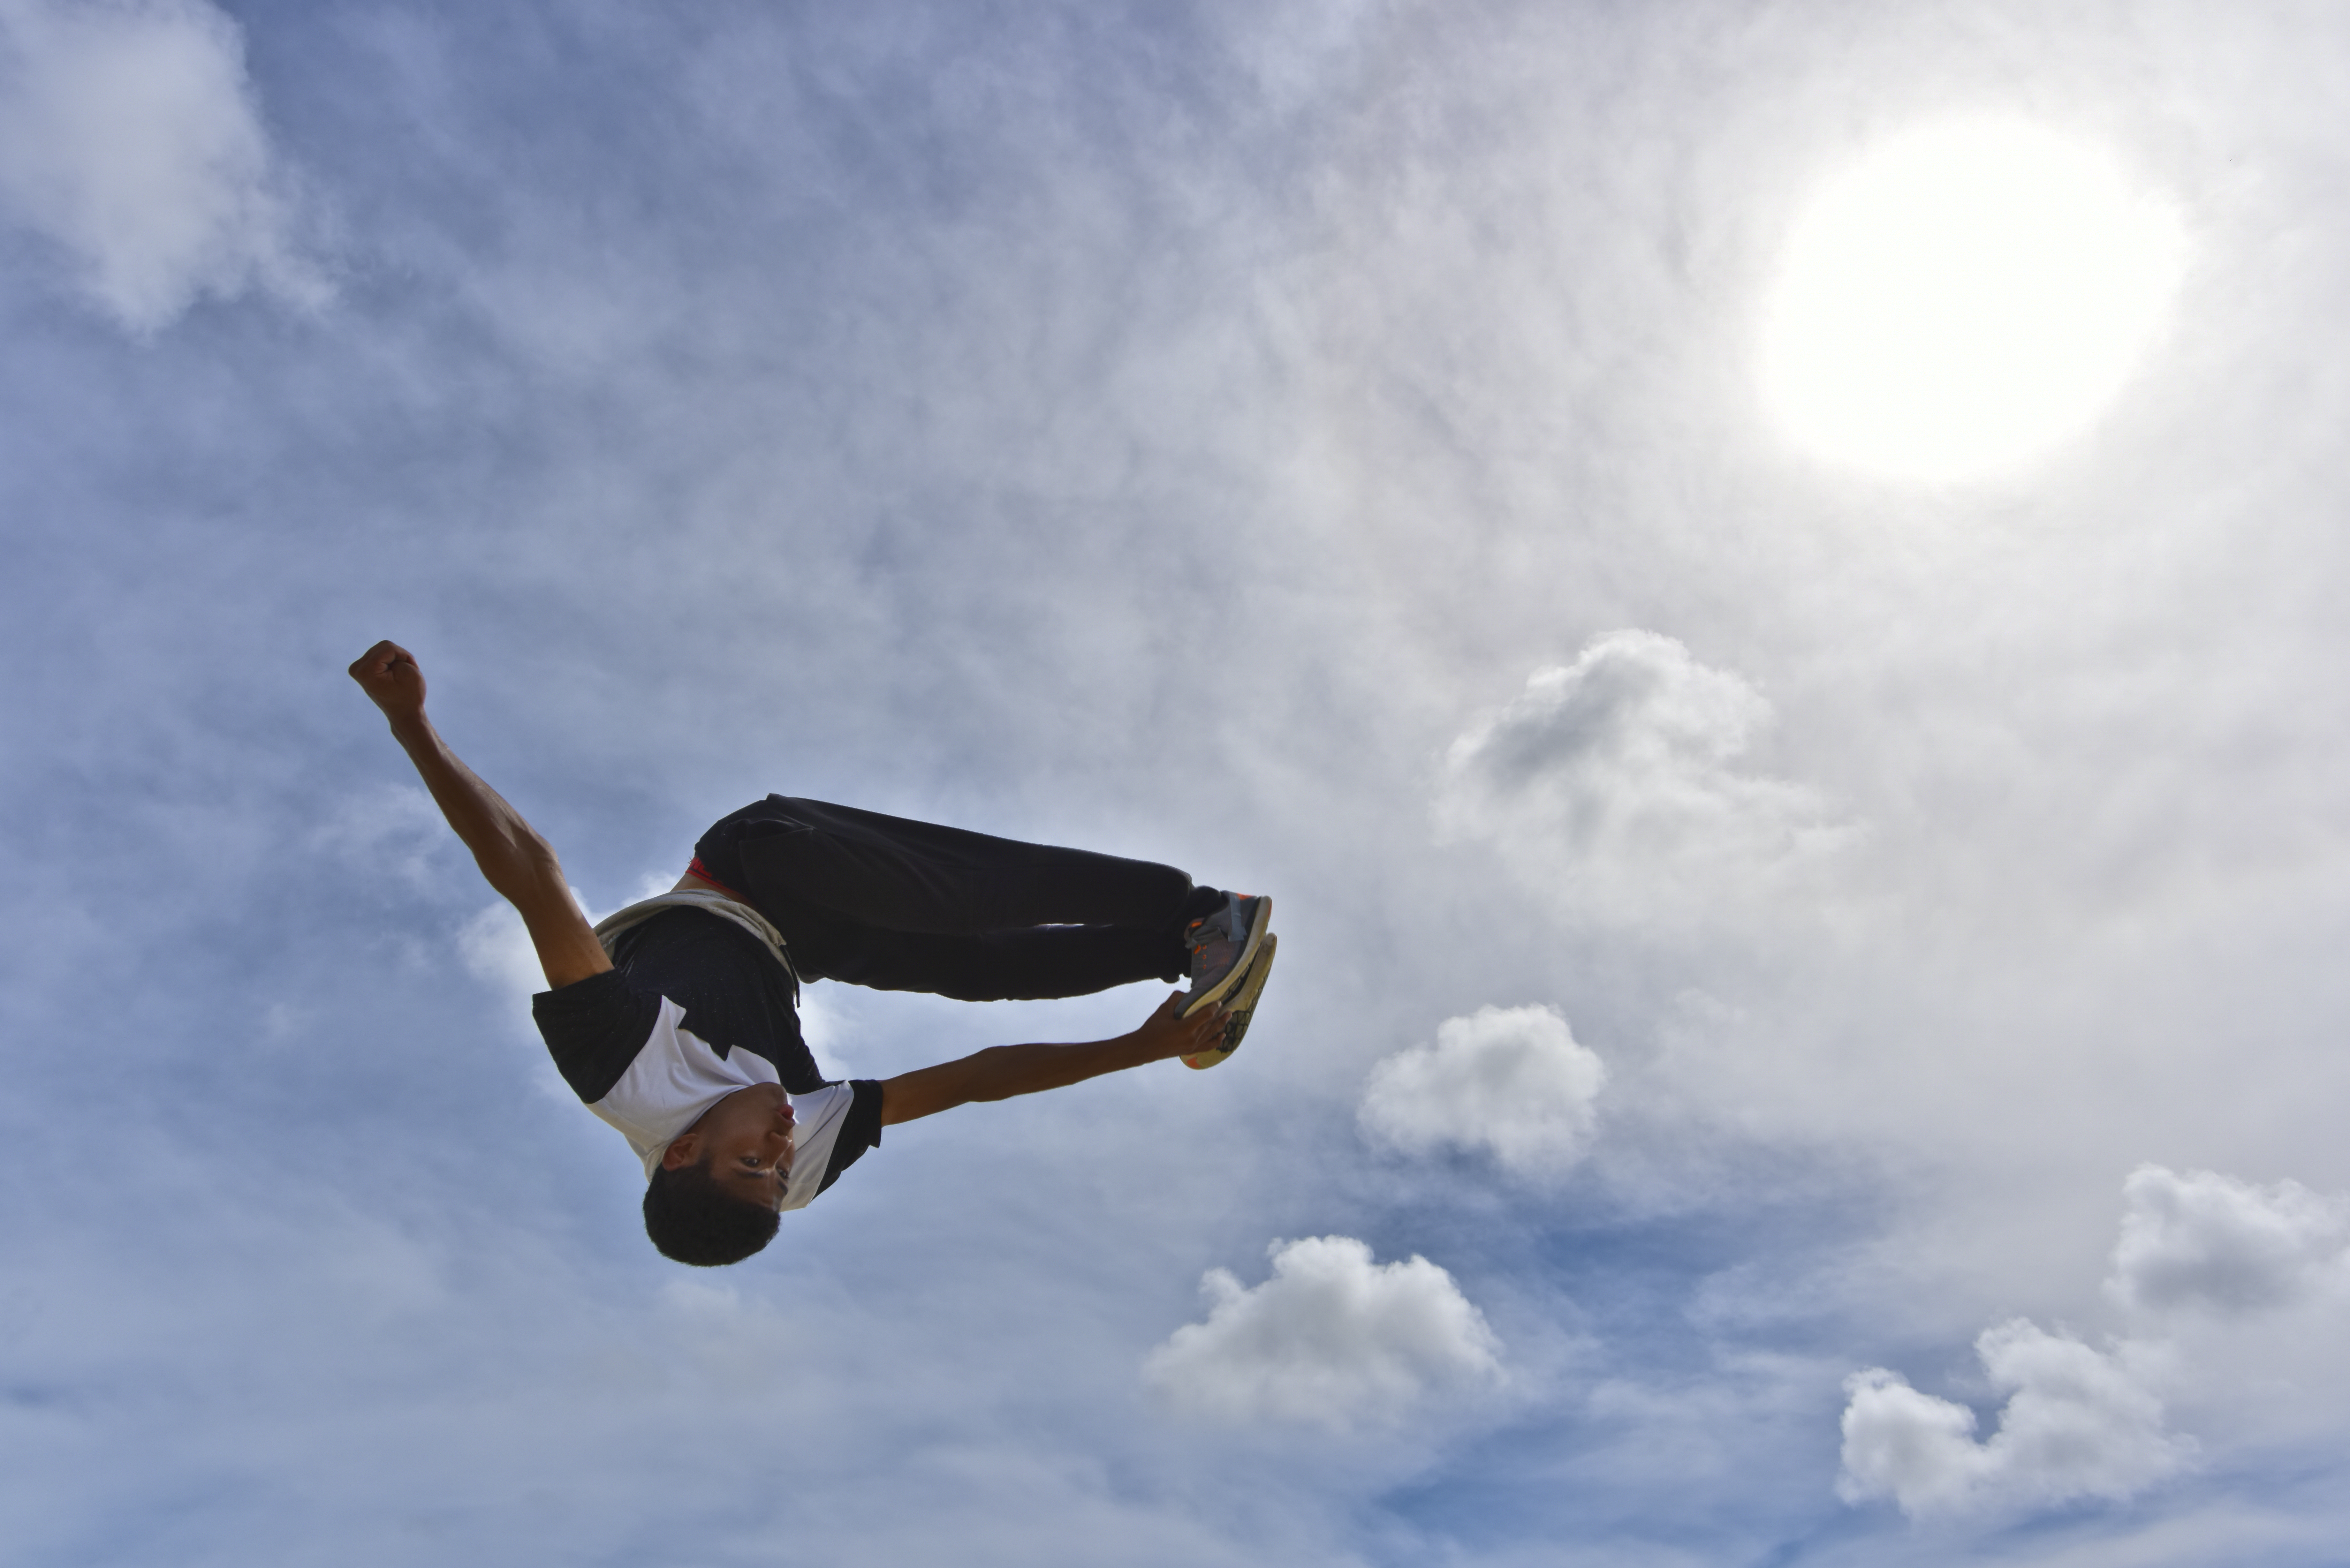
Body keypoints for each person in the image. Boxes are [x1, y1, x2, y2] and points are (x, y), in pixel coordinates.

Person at [347, 640, 1277, 1267]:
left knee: (957, 904)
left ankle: (1196, 907)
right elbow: (974, 1080)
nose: (781, 1141)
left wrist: (411, 727)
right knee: (980, 973)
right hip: (798, 940)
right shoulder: (797, 1166)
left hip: (753, 861)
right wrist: (1141, 1049)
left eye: (752, 1158)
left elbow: (532, 878)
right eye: (777, 1168)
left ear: (679, 1155)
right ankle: (1183, 948)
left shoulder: (622, 1070)